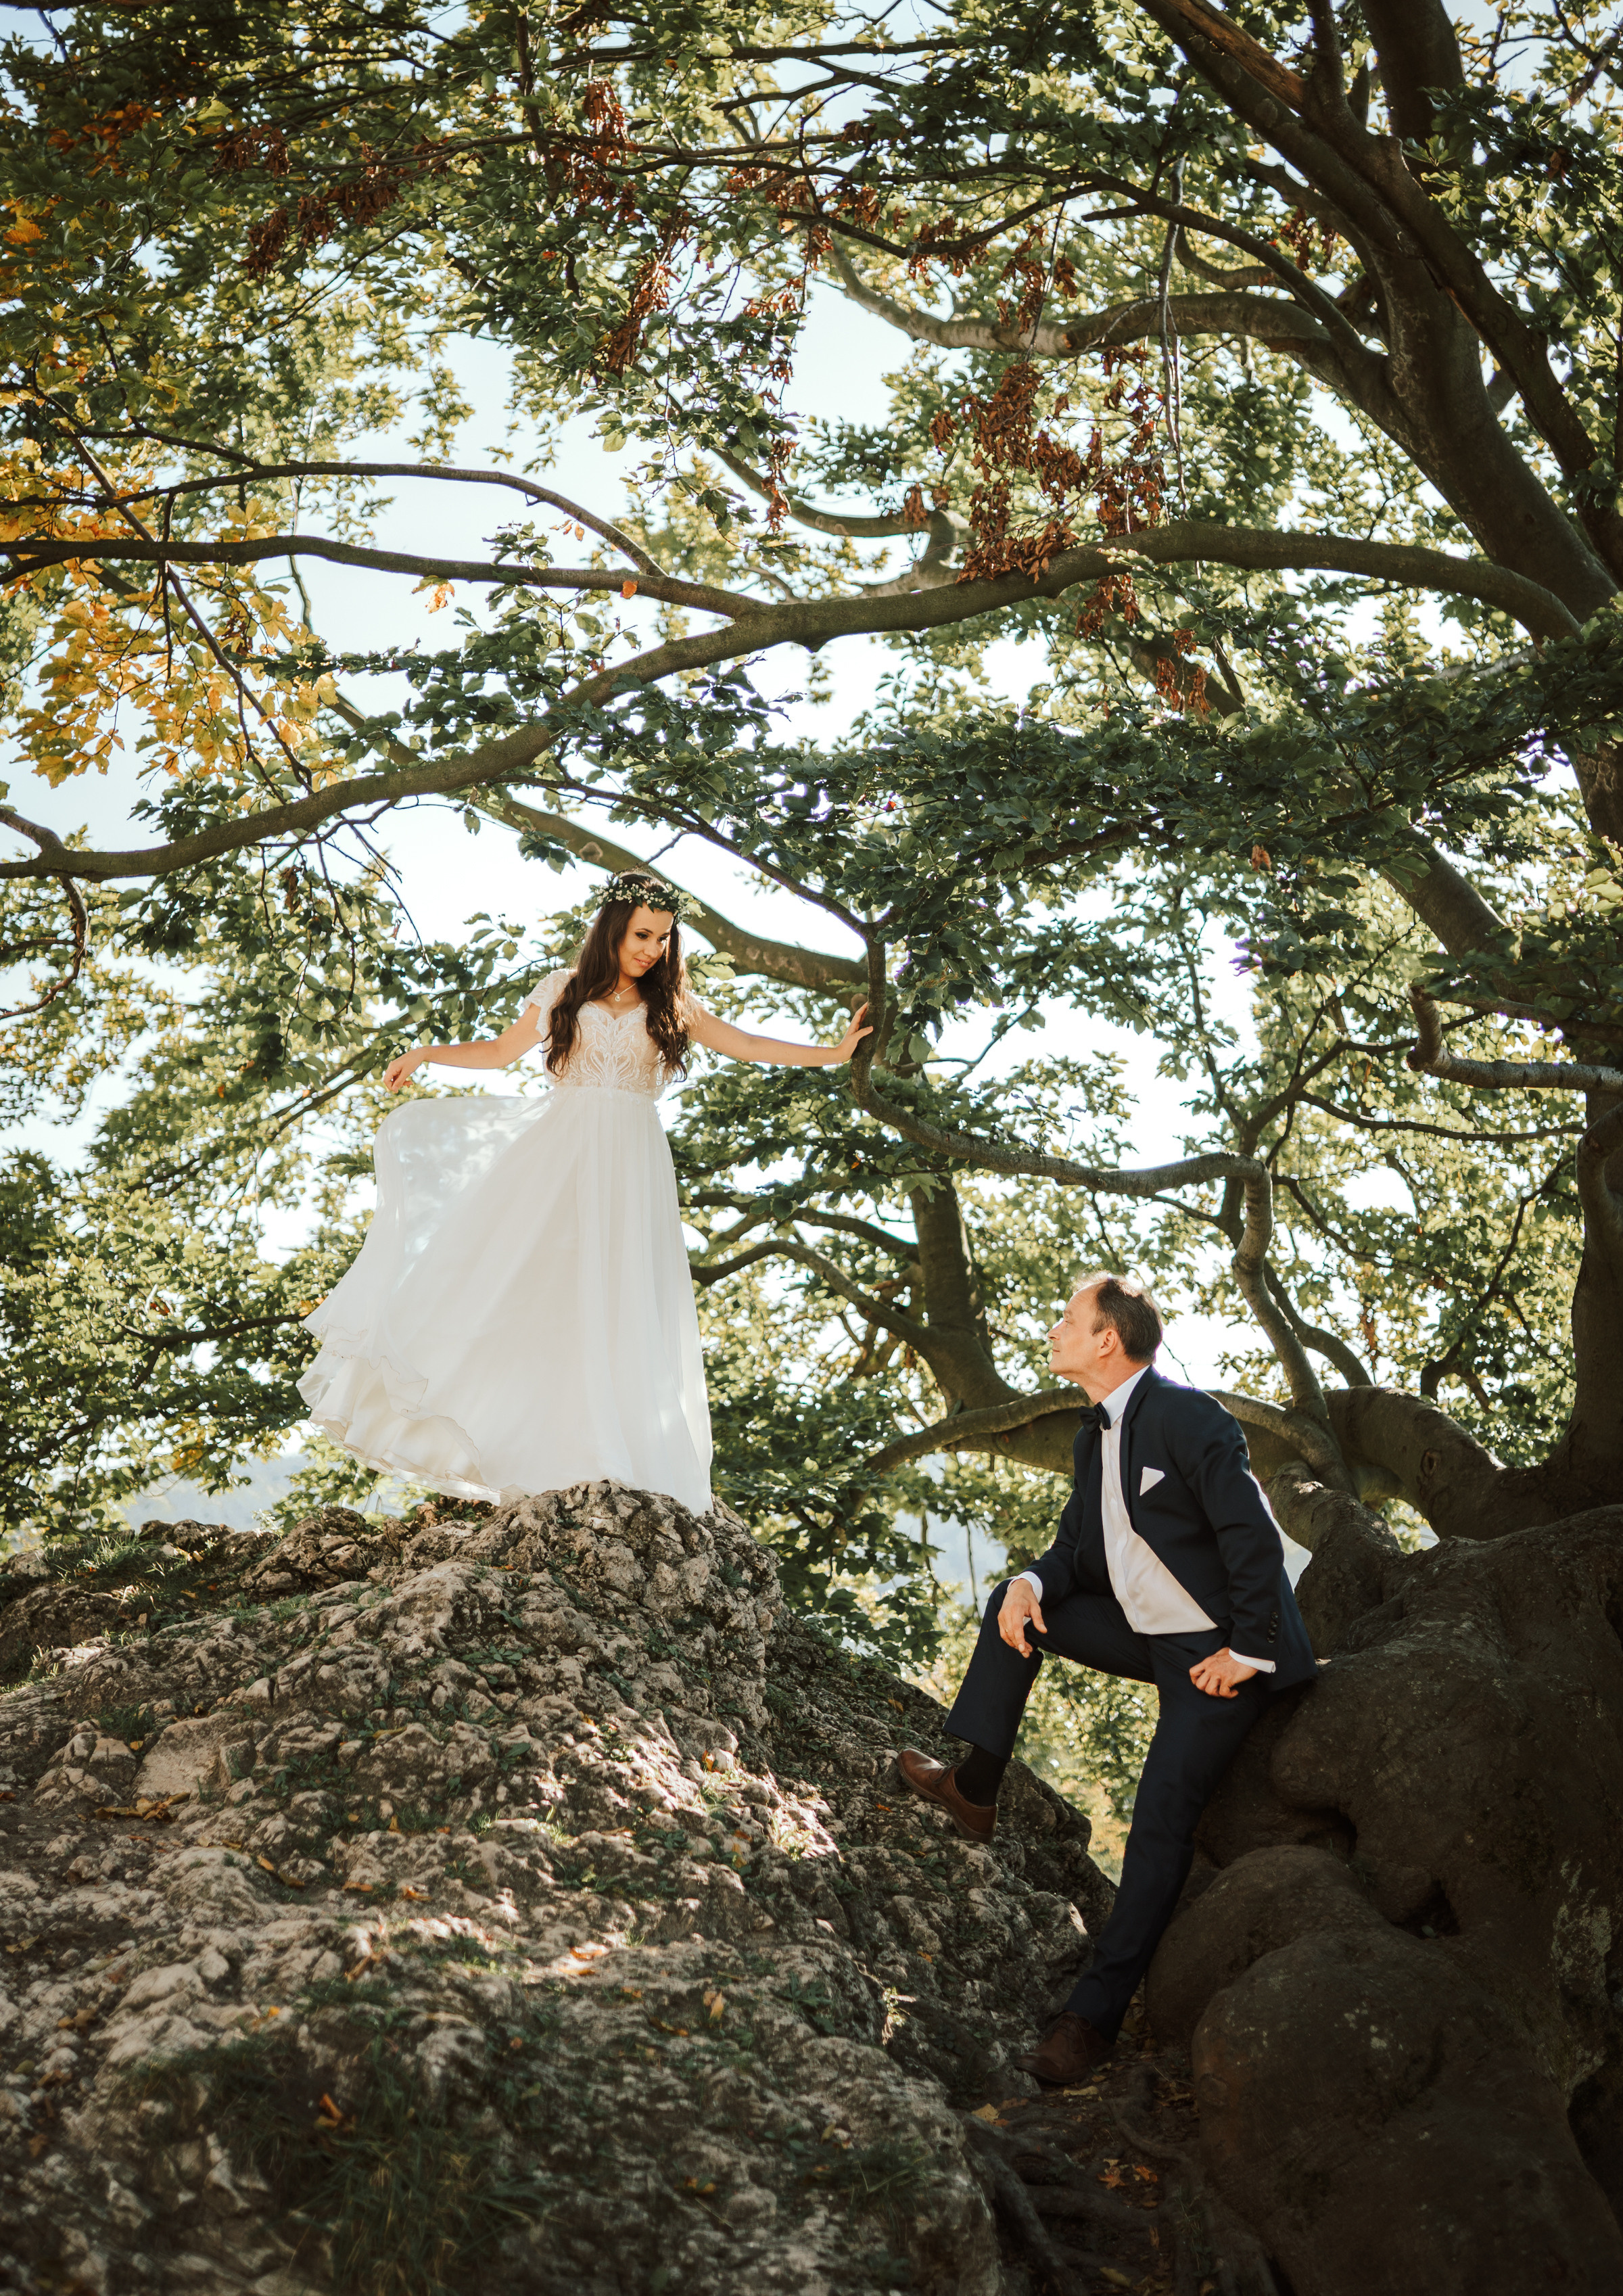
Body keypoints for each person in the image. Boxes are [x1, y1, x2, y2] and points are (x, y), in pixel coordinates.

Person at [298, 868, 868, 1513]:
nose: (653, 949)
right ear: (612, 931)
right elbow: (501, 1051)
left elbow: (749, 1043)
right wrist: (427, 1053)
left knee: (621, 1298)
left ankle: (612, 1452)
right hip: (562, 1157)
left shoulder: (672, 1003)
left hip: (633, 1164)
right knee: (537, 1291)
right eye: (642, 934)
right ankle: (528, 1447)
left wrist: (836, 1052)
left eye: (663, 938)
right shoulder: (562, 990)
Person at [899, 1270, 1317, 2086]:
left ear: (1106, 1339)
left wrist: (1249, 1652)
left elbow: (1253, 1539)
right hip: (1144, 1635)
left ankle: (1090, 2021)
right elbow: (1075, 1553)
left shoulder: (1191, 1415)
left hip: (1216, 1655)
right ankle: (973, 1789)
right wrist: (1033, 1581)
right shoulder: (1094, 1435)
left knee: (1159, 1819)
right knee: (1014, 1605)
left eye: (1066, 1319)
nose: (1051, 1332)